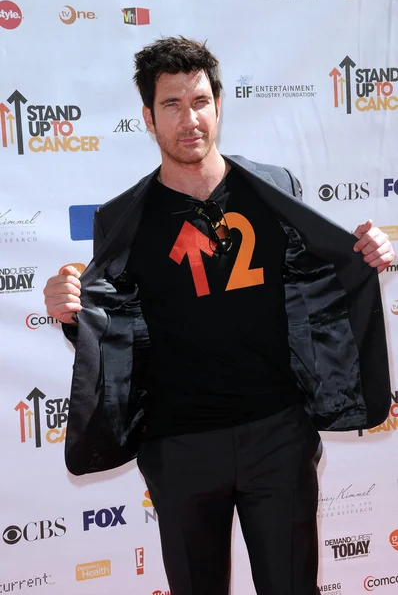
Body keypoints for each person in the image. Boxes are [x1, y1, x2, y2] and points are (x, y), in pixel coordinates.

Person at [44, 37, 394, 595]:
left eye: (201, 101)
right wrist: (68, 313)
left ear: (219, 104)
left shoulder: (274, 188)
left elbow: (321, 275)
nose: (190, 119)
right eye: (172, 105)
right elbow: (113, 323)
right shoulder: (120, 220)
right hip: (179, 447)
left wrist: (369, 252)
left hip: (278, 436)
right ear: (147, 118)